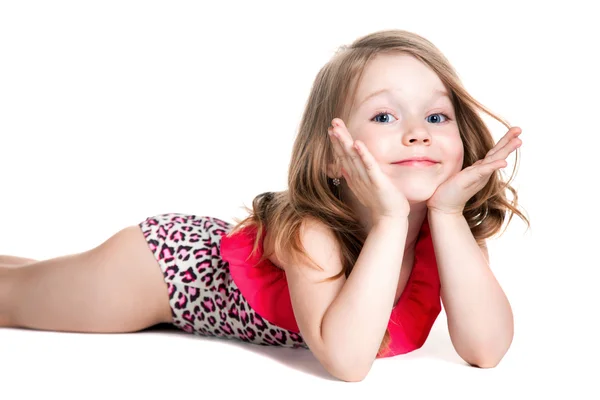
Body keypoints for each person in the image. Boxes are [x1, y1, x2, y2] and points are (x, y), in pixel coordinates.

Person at [0, 29, 529, 382]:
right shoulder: (313, 235)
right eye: (385, 118)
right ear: (332, 159)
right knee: (14, 297)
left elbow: (486, 350)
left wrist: (445, 214)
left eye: (436, 118)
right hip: (159, 271)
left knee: (31, 275)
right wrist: (392, 218)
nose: (417, 134)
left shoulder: (448, 239)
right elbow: (348, 362)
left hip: (178, 263)